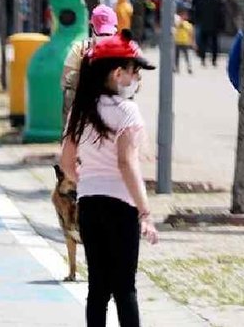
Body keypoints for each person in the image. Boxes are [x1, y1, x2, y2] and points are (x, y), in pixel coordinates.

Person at [60, 30, 159, 327]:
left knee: (98, 288)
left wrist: (88, 181)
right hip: (121, 206)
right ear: (118, 73)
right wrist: (145, 211)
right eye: (134, 72)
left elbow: (66, 161)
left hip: (89, 204)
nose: (137, 79)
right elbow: (127, 163)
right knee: (124, 288)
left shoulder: (80, 111)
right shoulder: (127, 110)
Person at [62, 5, 118, 123]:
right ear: (92, 28)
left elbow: (135, 85)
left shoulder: (122, 52)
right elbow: (65, 81)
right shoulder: (80, 49)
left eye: (108, 34)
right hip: (83, 118)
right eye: (101, 34)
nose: (105, 37)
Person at [195, 0, 225, 67]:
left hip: (204, 24)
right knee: (214, 43)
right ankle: (214, 60)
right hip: (215, 25)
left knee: (203, 42)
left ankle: (203, 59)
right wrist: (222, 25)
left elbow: (197, 11)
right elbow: (221, 14)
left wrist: (197, 20)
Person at [174, 9, 195, 74]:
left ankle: (189, 67)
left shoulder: (188, 24)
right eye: (183, 15)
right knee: (176, 56)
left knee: (187, 56)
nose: (184, 16)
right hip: (177, 41)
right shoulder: (177, 22)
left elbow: (191, 34)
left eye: (185, 15)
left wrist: (192, 42)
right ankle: (176, 68)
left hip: (185, 42)